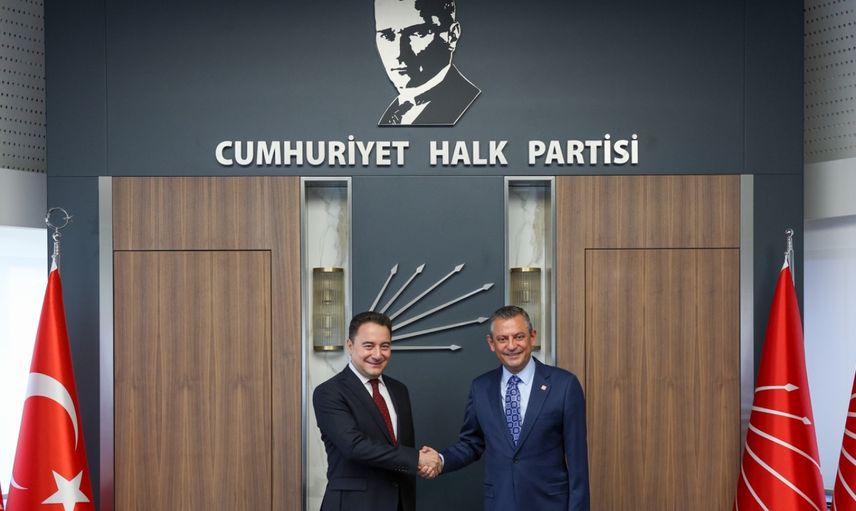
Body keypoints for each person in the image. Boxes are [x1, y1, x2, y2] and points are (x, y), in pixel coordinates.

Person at [421, 306, 590, 510]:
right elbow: (472, 443)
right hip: (501, 503)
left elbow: (578, 461)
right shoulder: (481, 387)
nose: (511, 346)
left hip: (550, 504)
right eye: (502, 339)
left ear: (532, 337)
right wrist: (441, 460)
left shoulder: (564, 385)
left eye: (519, 337)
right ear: (491, 343)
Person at [313, 311, 441, 511]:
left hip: (401, 503)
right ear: (350, 346)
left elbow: (400, 448)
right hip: (353, 505)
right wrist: (416, 458)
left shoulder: (399, 390)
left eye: (385, 346)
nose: (377, 354)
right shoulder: (329, 392)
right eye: (368, 346)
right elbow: (354, 447)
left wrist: (421, 465)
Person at [374, 0, 481, 126]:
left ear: (452, 36)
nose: (399, 55)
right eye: (386, 35)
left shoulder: (470, 103)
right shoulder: (391, 112)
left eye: (417, 33)